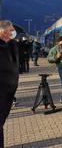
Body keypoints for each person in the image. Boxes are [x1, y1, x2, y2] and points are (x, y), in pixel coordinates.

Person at [0, 20, 19, 148]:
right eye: (11, 30)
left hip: (9, 91)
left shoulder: (12, 45)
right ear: (3, 31)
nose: (13, 33)